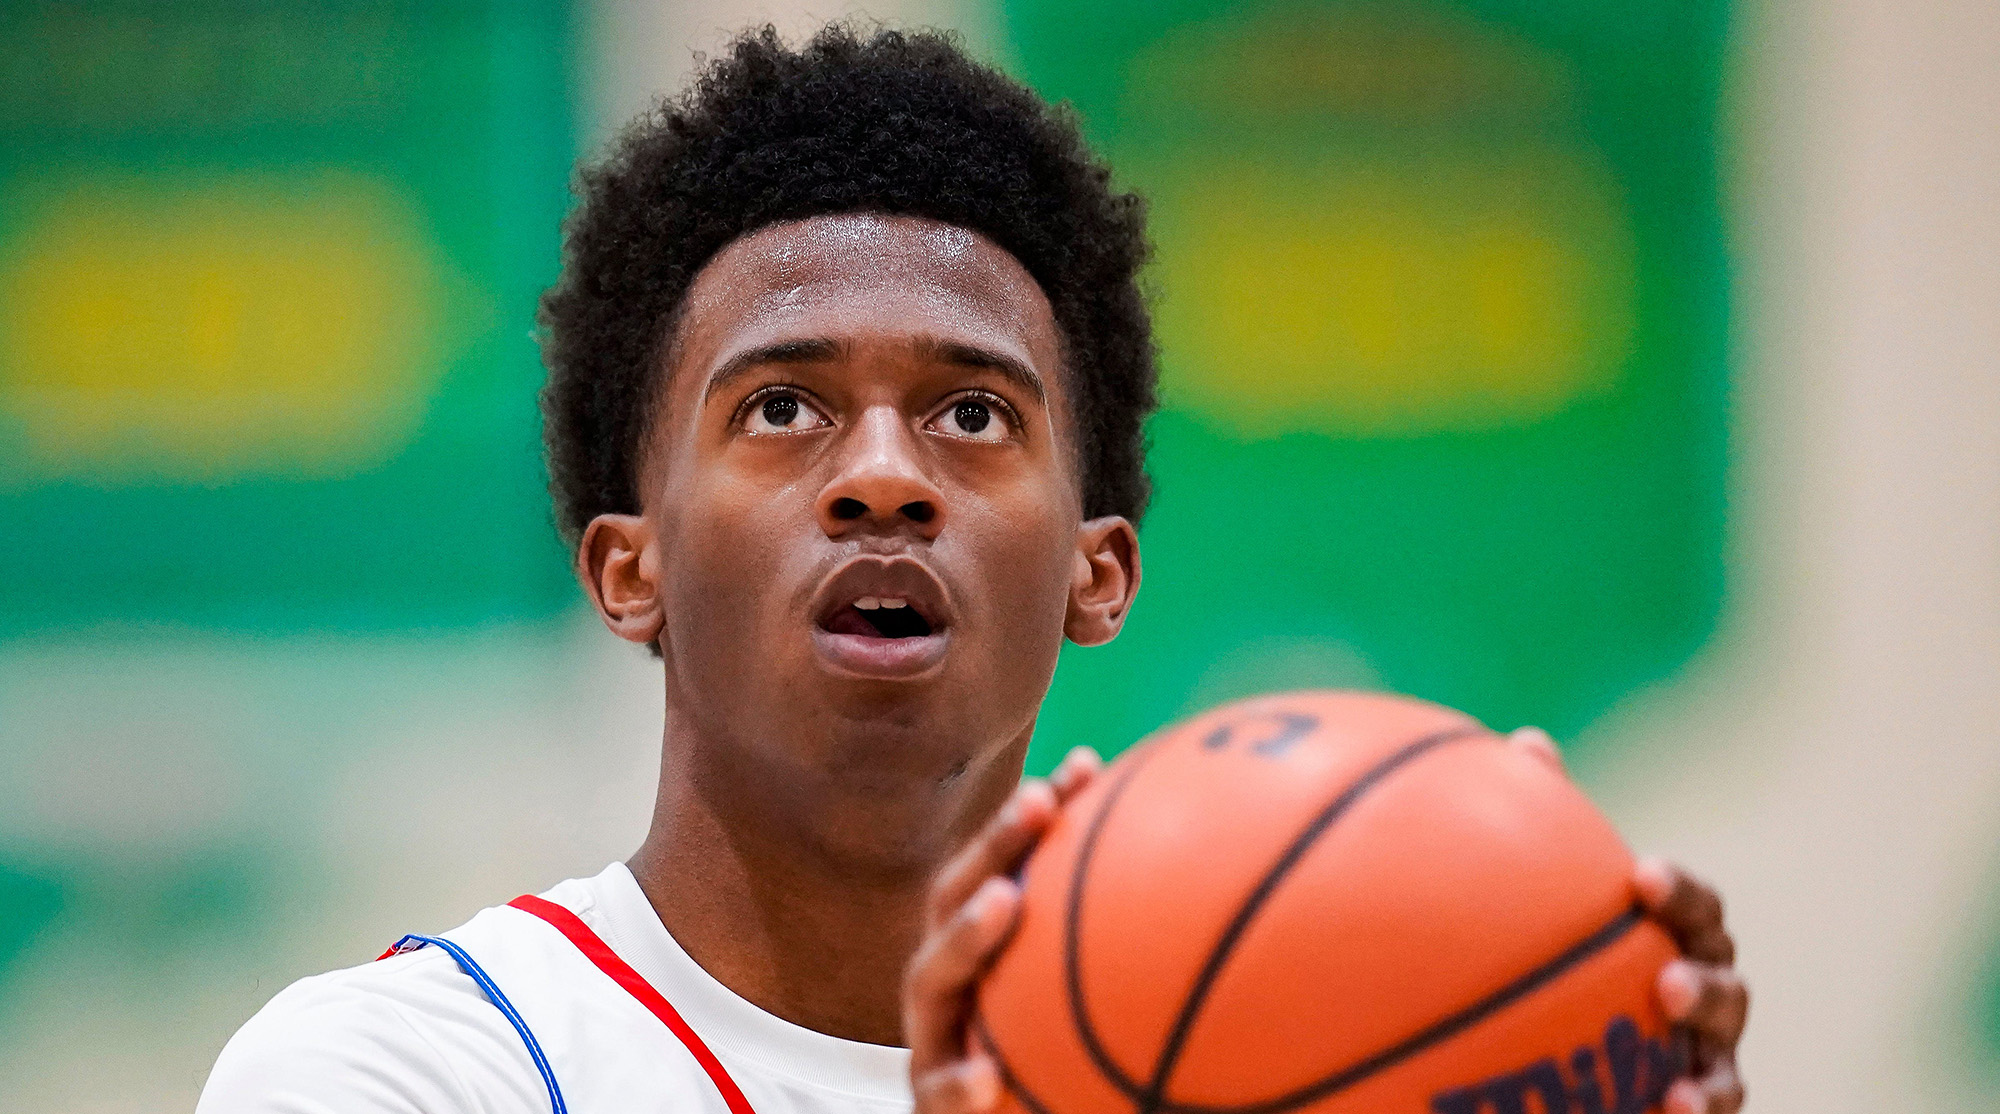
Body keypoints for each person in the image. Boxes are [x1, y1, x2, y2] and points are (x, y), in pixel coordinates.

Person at [197, 25, 1748, 1114]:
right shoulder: (401, 1070)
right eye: (782, 406)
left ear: (1098, 570)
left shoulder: (1285, 1064)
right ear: (629, 566)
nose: (882, 474)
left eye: (974, 413)